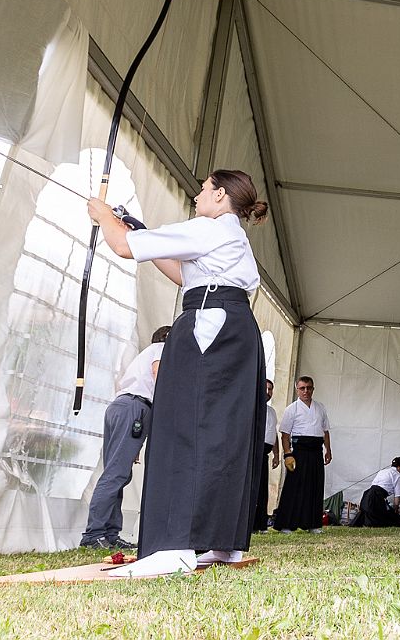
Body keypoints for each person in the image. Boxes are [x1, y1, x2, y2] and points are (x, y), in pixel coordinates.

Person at [87, 170, 269, 576]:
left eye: (204, 189)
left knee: (182, 427)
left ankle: (174, 545)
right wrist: (140, 231)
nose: (197, 195)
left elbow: (122, 247)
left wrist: (103, 216)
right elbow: (183, 275)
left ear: (220, 195)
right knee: (223, 434)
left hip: (208, 327)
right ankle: (221, 542)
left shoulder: (209, 228)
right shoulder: (230, 236)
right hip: (233, 328)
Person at [78, 325, 169, 550]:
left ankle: (110, 533)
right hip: (135, 408)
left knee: (119, 473)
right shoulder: (161, 349)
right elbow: (159, 377)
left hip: (123, 407)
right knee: (116, 474)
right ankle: (93, 534)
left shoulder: (145, 354)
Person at [273, 376, 331, 533]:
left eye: (309, 388)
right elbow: (285, 435)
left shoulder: (320, 407)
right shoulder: (291, 409)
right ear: (297, 389)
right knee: (294, 487)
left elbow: (325, 431)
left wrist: (328, 450)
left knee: (315, 486)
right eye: (302, 388)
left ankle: (313, 524)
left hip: (316, 451)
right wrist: (287, 454)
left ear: (313, 389)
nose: (306, 391)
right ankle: (286, 524)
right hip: (299, 451)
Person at [253, 380, 281, 532]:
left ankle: (261, 524)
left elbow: (273, 433)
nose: (268, 392)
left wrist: (276, 454)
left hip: (265, 453)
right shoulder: (252, 407)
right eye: (266, 388)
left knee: (263, 490)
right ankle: (250, 524)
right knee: (253, 489)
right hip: (252, 453)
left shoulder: (271, 411)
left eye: (271, 389)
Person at [354, 457, 400, 527]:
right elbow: (397, 497)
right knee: (395, 520)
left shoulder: (382, 471)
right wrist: (396, 510)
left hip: (367, 495)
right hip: (377, 498)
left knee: (369, 514)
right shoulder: (398, 476)